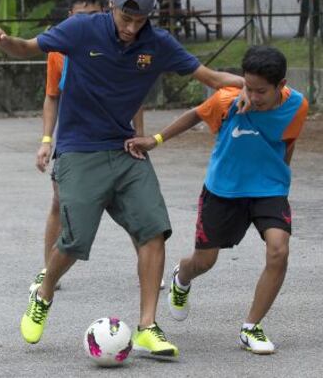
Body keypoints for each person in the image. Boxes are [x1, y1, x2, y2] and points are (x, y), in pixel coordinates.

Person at [0, 0, 245, 359]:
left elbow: (209, 77)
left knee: (153, 230)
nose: (132, 27)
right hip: (78, 149)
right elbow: (27, 47)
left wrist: (257, 86)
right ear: (112, 7)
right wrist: (5, 41)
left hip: (124, 148)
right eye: (126, 17)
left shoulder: (156, 44)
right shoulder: (81, 29)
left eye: (140, 21)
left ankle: (146, 327)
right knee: (74, 240)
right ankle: (44, 294)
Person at [125, 46, 308, 355]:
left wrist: (279, 180)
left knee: (279, 250)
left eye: (260, 91)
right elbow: (194, 115)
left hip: (269, 190)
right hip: (224, 190)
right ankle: (181, 278)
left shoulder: (298, 105)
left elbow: (287, 141)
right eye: (247, 86)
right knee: (204, 261)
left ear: (281, 85)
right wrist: (155, 141)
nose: (252, 94)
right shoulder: (227, 101)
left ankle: (251, 326)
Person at [30, 0, 150, 293]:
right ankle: (49, 272)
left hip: (115, 136)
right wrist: (46, 140)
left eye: (95, 15)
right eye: (81, 15)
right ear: (70, 16)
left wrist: (140, 135)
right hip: (76, 138)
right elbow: (52, 95)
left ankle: (149, 265)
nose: (88, 21)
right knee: (60, 201)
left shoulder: (122, 46)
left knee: (135, 204)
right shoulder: (58, 50)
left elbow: (136, 97)